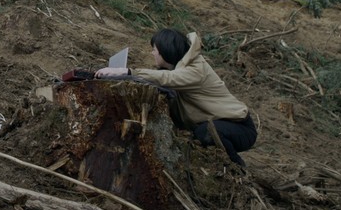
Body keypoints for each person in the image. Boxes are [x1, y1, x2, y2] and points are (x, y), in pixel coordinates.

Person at [94, 28, 257, 166]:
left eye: (154, 50)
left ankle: (237, 167)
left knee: (204, 132)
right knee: (203, 131)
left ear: (165, 50)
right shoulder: (178, 68)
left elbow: (169, 79)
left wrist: (129, 72)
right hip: (217, 124)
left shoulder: (196, 69)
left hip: (239, 127)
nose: (152, 53)